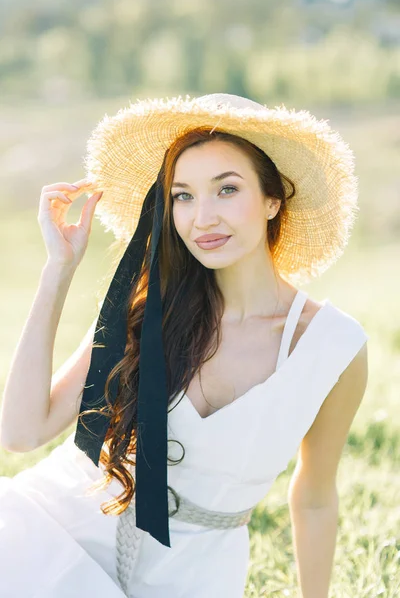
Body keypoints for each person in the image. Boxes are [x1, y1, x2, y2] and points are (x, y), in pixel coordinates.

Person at [0, 93, 369, 598]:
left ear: (272, 198)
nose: (203, 218)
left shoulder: (333, 346)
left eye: (227, 190)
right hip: (55, 535)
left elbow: (315, 497)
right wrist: (58, 270)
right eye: (183, 196)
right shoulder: (146, 307)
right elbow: (21, 433)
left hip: (193, 574)